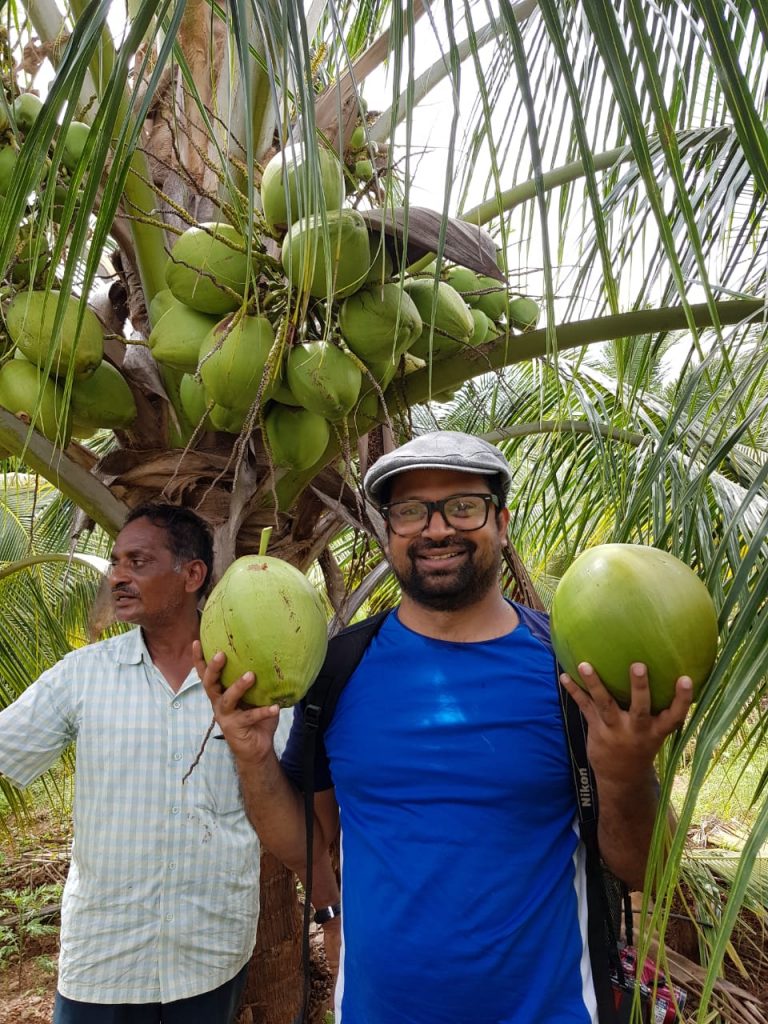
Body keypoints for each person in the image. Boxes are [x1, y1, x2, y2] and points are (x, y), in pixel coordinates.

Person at [198, 431, 693, 1024]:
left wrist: (627, 772)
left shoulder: (569, 672)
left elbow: (648, 872)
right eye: (410, 511)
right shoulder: (339, 669)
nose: (436, 529)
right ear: (389, 532)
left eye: (463, 506)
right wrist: (252, 756)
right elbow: (306, 841)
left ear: (502, 523)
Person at [0, 502, 261, 1024]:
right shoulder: (83, 674)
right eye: (116, 562)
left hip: (210, 948)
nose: (117, 576)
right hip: (105, 955)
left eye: (138, 562)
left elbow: (290, 792)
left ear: (192, 574)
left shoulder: (248, 680)